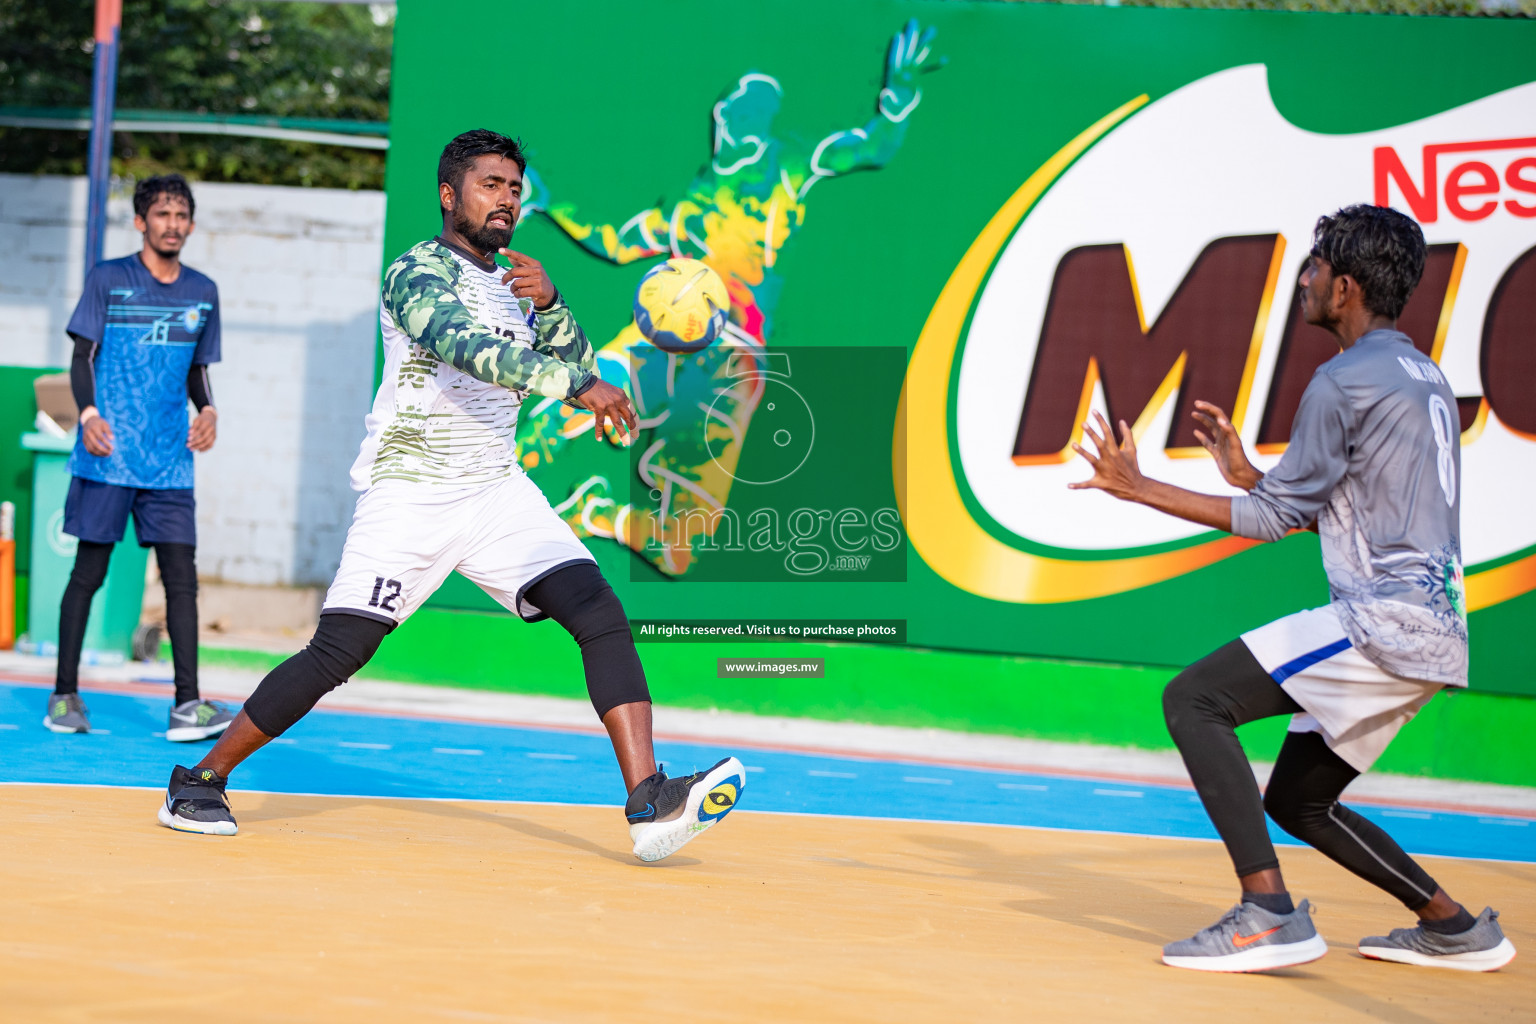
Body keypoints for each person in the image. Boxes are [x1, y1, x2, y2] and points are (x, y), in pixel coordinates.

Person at [156, 130, 744, 863]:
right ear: (449, 193)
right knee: (340, 651)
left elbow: (573, 361)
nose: (506, 200)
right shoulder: (415, 273)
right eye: (491, 184)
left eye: (514, 189)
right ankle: (200, 778)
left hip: (495, 490)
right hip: (411, 492)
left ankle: (649, 797)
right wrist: (577, 385)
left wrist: (555, 304)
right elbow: (470, 348)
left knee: (596, 607)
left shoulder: (518, 282)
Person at [1070, 205, 1515, 973]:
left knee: (1193, 700)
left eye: (1312, 267)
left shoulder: (1343, 379)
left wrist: (1137, 487)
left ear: (1343, 288)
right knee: (1300, 802)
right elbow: (1361, 517)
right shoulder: (1423, 375)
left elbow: (1273, 520)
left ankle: (1268, 912)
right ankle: (1454, 926)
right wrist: (1252, 478)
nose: (1302, 278)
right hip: (1438, 630)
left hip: (1383, 625)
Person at [516, 20, 937, 576]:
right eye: (723, 114)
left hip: (730, 359)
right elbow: (617, 243)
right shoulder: (689, 206)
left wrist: (899, 92)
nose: (724, 120)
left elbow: (872, 147)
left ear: (758, 125)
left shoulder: (789, 168)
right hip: (654, 343)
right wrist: (549, 202)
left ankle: (592, 512)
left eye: (738, 112)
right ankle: (491, 525)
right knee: (533, 439)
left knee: (676, 550)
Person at [46, 174, 234, 743]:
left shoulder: (203, 290)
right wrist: (87, 414)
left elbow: (198, 372)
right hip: (106, 456)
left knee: (182, 581)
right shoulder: (109, 278)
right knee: (88, 574)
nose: (172, 224)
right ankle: (64, 695)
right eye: (162, 214)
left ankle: (186, 704)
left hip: (170, 463)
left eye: (181, 215)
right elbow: (83, 356)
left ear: (191, 225)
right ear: (141, 222)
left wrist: (208, 411)